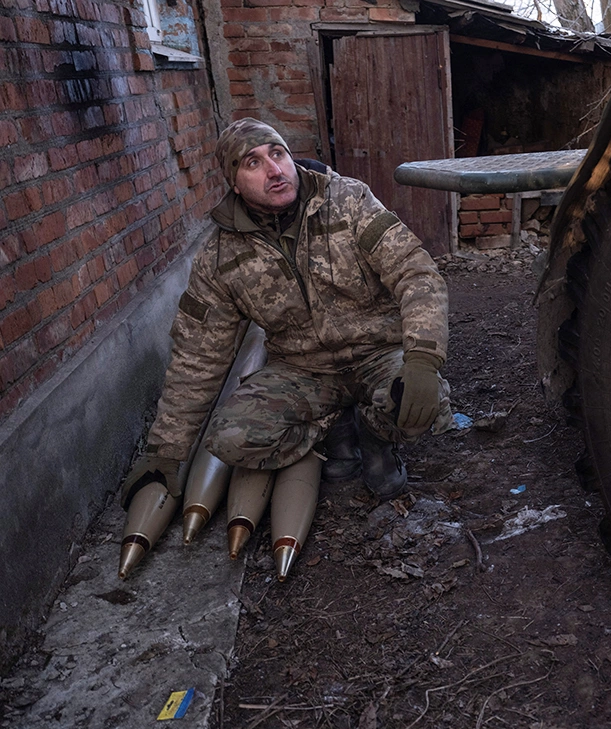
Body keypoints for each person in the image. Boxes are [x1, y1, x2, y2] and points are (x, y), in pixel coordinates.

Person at [120, 117, 450, 509]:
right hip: (302, 371)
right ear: (234, 182)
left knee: (424, 401)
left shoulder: (348, 201)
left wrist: (423, 358)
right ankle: (333, 426)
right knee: (230, 438)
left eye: (278, 154)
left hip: (377, 353)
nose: (274, 171)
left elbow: (416, 272)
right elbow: (198, 356)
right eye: (253, 163)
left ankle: (375, 437)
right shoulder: (220, 257)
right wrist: (166, 451)